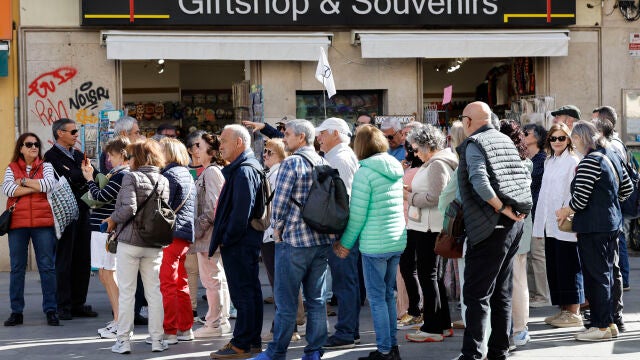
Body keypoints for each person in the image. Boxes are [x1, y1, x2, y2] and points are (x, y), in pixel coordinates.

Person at [454, 102, 532, 360]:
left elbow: (479, 182)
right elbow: (522, 176)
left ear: (467, 122)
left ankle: (473, 354)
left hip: (489, 227)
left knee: (477, 295)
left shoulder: (475, 144)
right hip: (512, 228)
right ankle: (499, 350)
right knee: (501, 292)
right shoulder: (505, 139)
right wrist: (513, 212)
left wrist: (503, 209)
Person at [251, 119, 332, 360]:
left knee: (286, 301)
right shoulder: (322, 161)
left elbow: (280, 203)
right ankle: (314, 351)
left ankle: (276, 352)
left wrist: (276, 231)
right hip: (320, 240)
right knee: (316, 300)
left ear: (301, 138)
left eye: (287, 134)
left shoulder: (292, 163)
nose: (284, 138)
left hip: (294, 240)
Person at [333, 124, 406, 360]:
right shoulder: (395, 166)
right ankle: (391, 347)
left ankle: (385, 350)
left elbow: (357, 215)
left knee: (377, 298)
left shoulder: (365, 172)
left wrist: (345, 244)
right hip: (396, 239)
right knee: (386, 296)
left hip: (375, 243)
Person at [556, 120, 633, 341]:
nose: (574, 144)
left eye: (573, 139)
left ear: (580, 138)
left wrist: (565, 211)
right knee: (609, 274)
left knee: (596, 276)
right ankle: (611, 322)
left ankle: (600, 326)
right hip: (612, 223)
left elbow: (579, 200)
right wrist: (608, 202)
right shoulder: (612, 156)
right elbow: (627, 188)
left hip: (593, 227)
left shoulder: (590, 161)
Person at [106, 139, 171, 354]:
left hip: (130, 241)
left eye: (132, 155)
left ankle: (123, 341)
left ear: (139, 157)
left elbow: (128, 209)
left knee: (127, 293)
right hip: (153, 242)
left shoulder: (130, 177)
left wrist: (112, 220)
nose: (130, 159)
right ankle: (157, 340)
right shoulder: (163, 180)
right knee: (154, 293)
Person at [209, 124, 264, 359]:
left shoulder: (244, 170)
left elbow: (241, 213)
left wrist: (227, 238)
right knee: (248, 291)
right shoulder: (243, 168)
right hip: (242, 242)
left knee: (243, 293)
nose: (220, 146)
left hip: (240, 243)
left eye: (224, 141)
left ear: (239, 143)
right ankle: (250, 341)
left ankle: (242, 343)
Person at [402, 124, 458, 343]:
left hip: (430, 227)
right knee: (432, 277)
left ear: (428, 146)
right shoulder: (436, 162)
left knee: (429, 276)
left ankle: (433, 327)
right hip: (428, 225)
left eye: (416, 149)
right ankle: (441, 324)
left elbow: (437, 197)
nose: (415, 154)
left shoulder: (437, 164)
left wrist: (411, 198)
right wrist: (414, 194)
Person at [43, 118, 98, 321]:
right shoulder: (51, 156)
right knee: (65, 259)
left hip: (83, 210)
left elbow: (93, 174)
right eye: (73, 131)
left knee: (83, 258)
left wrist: (87, 174)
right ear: (60, 133)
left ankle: (78, 303)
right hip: (65, 214)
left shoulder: (77, 154)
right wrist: (85, 174)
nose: (76, 135)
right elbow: (71, 177)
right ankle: (63, 305)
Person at [2, 133, 58, 327]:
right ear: (21, 148)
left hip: (43, 224)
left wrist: (23, 182)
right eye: (29, 144)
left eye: (36, 144)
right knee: (17, 268)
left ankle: (51, 310)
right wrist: (36, 187)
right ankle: (16, 312)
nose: (34, 147)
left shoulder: (46, 166)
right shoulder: (12, 167)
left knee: (47, 267)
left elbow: (49, 185)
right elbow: (8, 190)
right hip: (17, 224)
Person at [531, 123, 584, 330]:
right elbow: (544, 194)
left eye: (562, 138)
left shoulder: (573, 160)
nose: (557, 142)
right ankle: (563, 310)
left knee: (570, 265)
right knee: (555, 266)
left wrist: (568, 214)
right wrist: (539, 225)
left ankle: (573, 311)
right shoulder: (550, 161)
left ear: (569, 139)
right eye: (553, 138)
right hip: (550, 222)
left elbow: (574, 192)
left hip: (566, 220)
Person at [315, 118, 361, 350]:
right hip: (341, 228)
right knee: (346, 281)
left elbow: (343, 201)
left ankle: (346, 332)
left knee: (345, 282)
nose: (319, 138)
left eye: (322, 133)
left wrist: (338, 234)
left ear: (335, 133)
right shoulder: (338, 156)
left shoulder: (340, 158)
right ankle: (348, 330)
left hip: (341, 229)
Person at [82, 136, 131, 338]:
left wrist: (89, 180)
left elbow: (102, 197)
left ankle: (121, 321)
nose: (109, 159)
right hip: (101, 228)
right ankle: (118, 318)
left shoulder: (123, 174)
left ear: (122, 154)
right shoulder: (115, 173)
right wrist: (93, 177)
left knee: (110, 274)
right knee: (104, 274)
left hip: (107, 230)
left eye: (111, 154)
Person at [259, 138, 305, 342]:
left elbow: (276, 207)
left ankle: (284, 328)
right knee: (285, 282)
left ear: (279, 154)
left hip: (273, 234)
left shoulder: (277, 173)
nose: (265, 155)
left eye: (269, 152)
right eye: (265, 152)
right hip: (277, 234)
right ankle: (290, 325)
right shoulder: (274, 173)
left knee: (280, 283)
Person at [192, 133, 232, 338]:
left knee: (212, 279)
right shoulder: (209, 171)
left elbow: (213, 207)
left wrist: (198, 228)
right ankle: (219, 320)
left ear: (212, 151)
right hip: (209, 234)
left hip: (209, 235)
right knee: (216, 277)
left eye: (199, 145)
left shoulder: (211, 172)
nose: (195, 149)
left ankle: (215, 322)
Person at [157, 138, 196, 344]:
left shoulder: (169, 175)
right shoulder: (186, 174)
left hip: (170, 234)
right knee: (180, 282)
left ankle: (170, 330)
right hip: (183, 234)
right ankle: (185, 327)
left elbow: (163, 207)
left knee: (168, 283)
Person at [498, 120, 533, 348]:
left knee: (515, 279)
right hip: (524, 222)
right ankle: (520, 327)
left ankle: (518, 328)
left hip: (514, 221)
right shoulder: (526, 162)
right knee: (519, 278)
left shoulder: (510, 163)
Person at [522, 123, 550, 308]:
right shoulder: (525, 158)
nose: (523, 135)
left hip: (539, 212)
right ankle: (533, 293)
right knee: (530, 255)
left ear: (537, 138)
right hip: (527, 212)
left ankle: (542, 294)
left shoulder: (542, 159)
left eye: (527, 133)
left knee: (538, 254)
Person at [185, 129, 207, 323]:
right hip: (190, 227)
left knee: (212, 273)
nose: (203, 149)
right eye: (199, 145)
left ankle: (220, 311)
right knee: (190, 270)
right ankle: (191, 309)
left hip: (209, 228)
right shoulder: (185, 171)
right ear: (191, 149)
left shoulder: (214, 169)